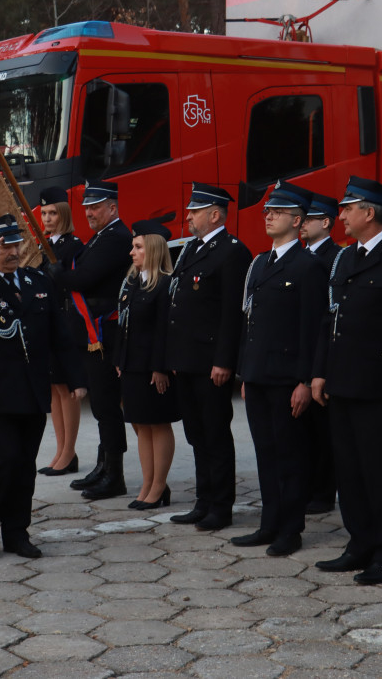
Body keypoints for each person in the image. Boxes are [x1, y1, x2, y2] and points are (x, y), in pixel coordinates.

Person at [0, 215, 86, 558]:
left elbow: (60, 334)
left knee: (24, 463)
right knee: (3, 458)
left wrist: (77, 378)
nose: (13, 251)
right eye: (4, 246)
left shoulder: (38, 280)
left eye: (15, 244)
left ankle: (17, 532)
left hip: (33, 388)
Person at [311, 177, 382, 584]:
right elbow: (330, 320)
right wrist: (320, 371)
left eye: (347, 209)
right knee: (351, 471)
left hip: (378, 386)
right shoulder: (345, 258)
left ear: (369, 213)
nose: (340, 216)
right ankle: (360, 543)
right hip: (343, 382)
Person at [231, 180, 326, 556]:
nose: (268, 216)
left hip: (288, 379)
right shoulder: (261, 263)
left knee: (290, 456)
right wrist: (245, 371)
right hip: (258, 376)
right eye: (268, 211)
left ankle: (291, 529)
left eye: (278, 212)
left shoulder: (308, 266)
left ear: (298, 219)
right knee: (266, 453)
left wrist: (305, 380)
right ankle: (269, 523)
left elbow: (313, 329)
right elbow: (249, 321)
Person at [166, 183, 252, 531]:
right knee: (196, 434)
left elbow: (233, 314)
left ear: (215, 214)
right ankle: (204, 501)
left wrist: (224, 361)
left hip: (210, 363)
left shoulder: (232, 252)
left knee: (215, 434)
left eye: (195, 211)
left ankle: (221, 506)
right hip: (187, 360)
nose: (188, 216)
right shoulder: (191, 249)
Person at [48, 180, 132, 500]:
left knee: (107, 404)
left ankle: (115, 474)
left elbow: (84, 279)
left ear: (113, 207)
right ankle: (103, 465)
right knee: (100, 403)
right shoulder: (100, 237)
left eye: (95, 207)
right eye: (86, 208)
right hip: (92, 331)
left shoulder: (116, 237)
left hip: (105, 333)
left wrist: (58, 273)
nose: (89, 213)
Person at [114, 217, 180, 510]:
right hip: (131, 364)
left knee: (157, 423)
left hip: (152, 367)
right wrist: (119, 358)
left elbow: (166, 330)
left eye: (138, 247)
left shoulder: (165, 284)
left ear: (152, 249)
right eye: (132, 246)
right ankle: (148, 483)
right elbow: (122, 323)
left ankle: (158, 486)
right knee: (139, 422)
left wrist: (160, 367)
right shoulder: (132, 281)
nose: (132, 252)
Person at [36, 186, 86, 476]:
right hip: (48, 323)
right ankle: (60, 449)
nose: (48, 218)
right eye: (44, 213)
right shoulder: (46, 244)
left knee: (67, 390)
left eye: (53, 212)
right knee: (54, 389)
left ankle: (69, 452)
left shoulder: (73, 245)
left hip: (66, 323)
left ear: (64, 214)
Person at [300, 193, 340, 515]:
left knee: (322, 432)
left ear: (326, 222)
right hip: (300, 353)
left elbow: (326, 316)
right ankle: (310, 486)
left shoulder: (334, 258)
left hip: (320, 353)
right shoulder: (302, 257)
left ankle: (324, 492)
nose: (302, 223)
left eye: (309, 219)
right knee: (305, 433)